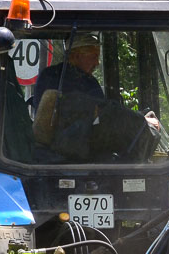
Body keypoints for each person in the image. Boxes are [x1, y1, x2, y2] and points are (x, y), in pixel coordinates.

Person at [32, 32, 160, 161]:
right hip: (66, 150)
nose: (97, 63)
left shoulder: (87, 80)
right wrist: (140, 122)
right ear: (76, 55)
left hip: (80, 146)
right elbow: (103, 111)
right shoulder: (54, 78)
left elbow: (103, 115)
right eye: (93, 57)